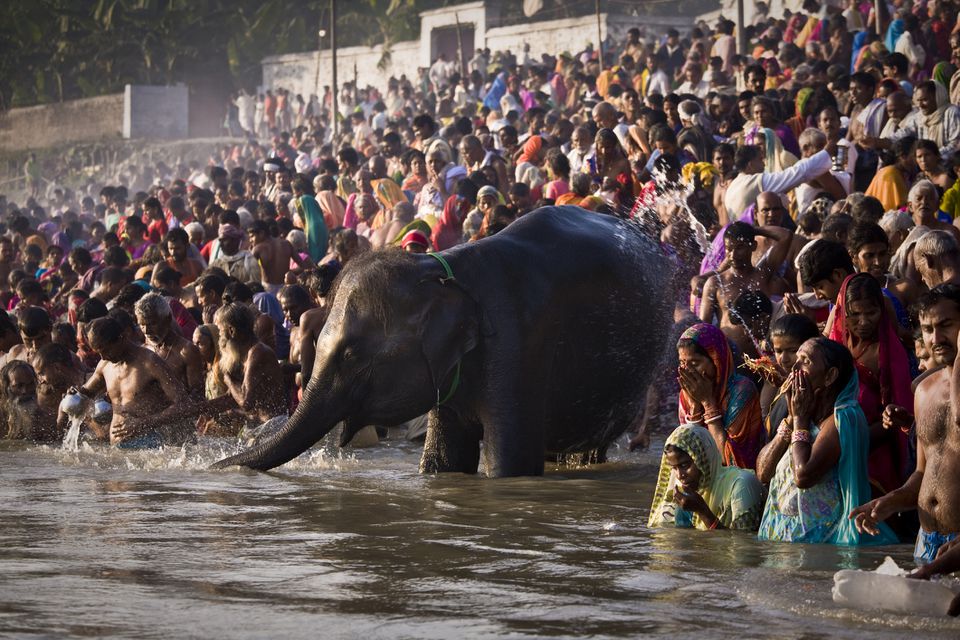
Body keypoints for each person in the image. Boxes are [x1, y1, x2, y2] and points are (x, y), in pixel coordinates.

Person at [850, 284, 960, 562]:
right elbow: (923, 474)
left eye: (946, 325)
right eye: (927, 328)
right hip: (927, 540)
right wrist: (887, 503)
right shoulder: (923, 391)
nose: (936, 338)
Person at [756, 337, 897, 545]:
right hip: (782, 543)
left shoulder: (842, 418)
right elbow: (763, 473)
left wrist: (800, 420)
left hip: (820, 546)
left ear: (830, 376)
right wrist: (790, 419)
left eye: (805, 361)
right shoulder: (799, 412)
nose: (794, 366)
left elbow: (803, 476)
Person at [827, 273, 914, 498]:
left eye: (871, 313)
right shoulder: (834, 345)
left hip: (872, 451)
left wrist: (853, 441)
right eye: (854, 314)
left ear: (882, 312)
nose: (863, 322)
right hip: (829, 445)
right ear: (842, 311)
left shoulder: (887, 352)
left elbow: (898, 414)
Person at [76, 317, 193, 447]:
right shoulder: (104, 365)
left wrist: (144, 422)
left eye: (106, 350)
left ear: (122, 338)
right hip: (119, 452)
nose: (103, 357)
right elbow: (85, 393)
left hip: (152, 447)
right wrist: (74, 393)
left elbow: (184, 404)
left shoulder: (150, 362)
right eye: (99, 353)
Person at [675, 323, 765, 470]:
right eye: (683, 363)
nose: (688, 371)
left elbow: (729, 460)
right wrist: (695, 406)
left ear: (716, 360)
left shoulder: (742, 390)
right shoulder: (687, 393)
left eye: (695, 363)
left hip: (741, 480)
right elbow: (687, 453)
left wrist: (708, 403)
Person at [699, 221, 793, 356]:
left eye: (740, 247)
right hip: (732, 359)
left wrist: (753, 230)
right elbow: (704, 327)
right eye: (729, 249)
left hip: (766, 356)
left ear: (753, 246)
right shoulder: (715, 282)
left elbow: (786, 236)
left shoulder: (763, 273)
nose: (733, 254)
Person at [648, 424, 764, 531]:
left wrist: (703, 511)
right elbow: (681, 541)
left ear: (703, 459)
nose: (679, 475)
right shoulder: (686, 495)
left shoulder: (742, 484)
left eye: (685, 465)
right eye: (674, 468)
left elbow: (743, 544)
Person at [203, 303, 287, 428]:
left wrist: (228, 379)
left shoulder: (258, 352)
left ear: (231, 331)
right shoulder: (245, 354)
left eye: (220, 331)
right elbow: (230, 397)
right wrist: (197, 411)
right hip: (261, 426)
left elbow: (246, 403)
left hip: (274, 426)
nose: (220, 337)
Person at [134, 292, 204, 396]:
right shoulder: (145, 350)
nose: (146, 331)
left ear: (167, 319)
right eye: (142, 325)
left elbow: (197, 397)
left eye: (152, 324)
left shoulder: (187, 351)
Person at [248, 220, 310, 295]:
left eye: (252, 236)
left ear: (261, 233)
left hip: (268, 289)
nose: (250, 240)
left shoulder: (257, 249)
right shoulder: (286, 243)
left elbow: (251, 273)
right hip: (287, 287)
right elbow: (303, 266)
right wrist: (288, 272)